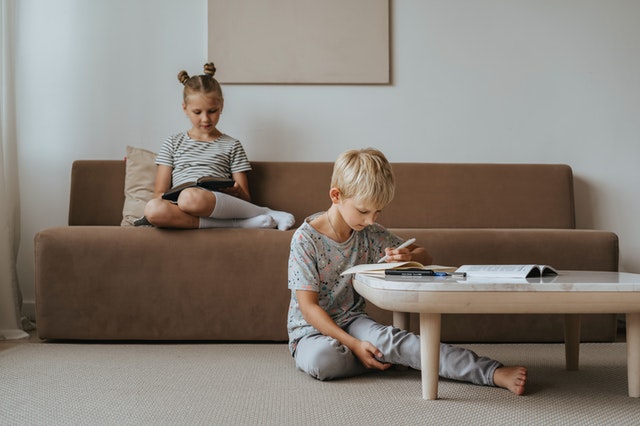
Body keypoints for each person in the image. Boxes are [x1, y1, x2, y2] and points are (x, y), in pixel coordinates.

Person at [286, 148, 527, 395]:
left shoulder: (369, 232)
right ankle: (391, 356)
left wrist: (409, 256)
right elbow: (309, 307)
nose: (371, 220)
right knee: (324, 361)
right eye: (363, 211)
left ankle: (490, 372)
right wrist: (355, 345)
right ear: (336, 195)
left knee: (398, 342)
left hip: (353, 321)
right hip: (310, 334)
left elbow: (425, 254)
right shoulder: (306, 239)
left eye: (377, 212)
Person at [140, 62, 295, 230]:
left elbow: (245, 196)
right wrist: (173, 199)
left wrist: (233, 191)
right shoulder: (172, 143)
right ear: (185, 109)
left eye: (212, 111)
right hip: (181, 206)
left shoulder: (231, 145)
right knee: (153, 209)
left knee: (190, 198)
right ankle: (241, 224)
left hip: (215, 202)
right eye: (197, 112)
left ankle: (265, 212)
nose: (205, 119)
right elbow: (159, 193)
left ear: (221, 105)